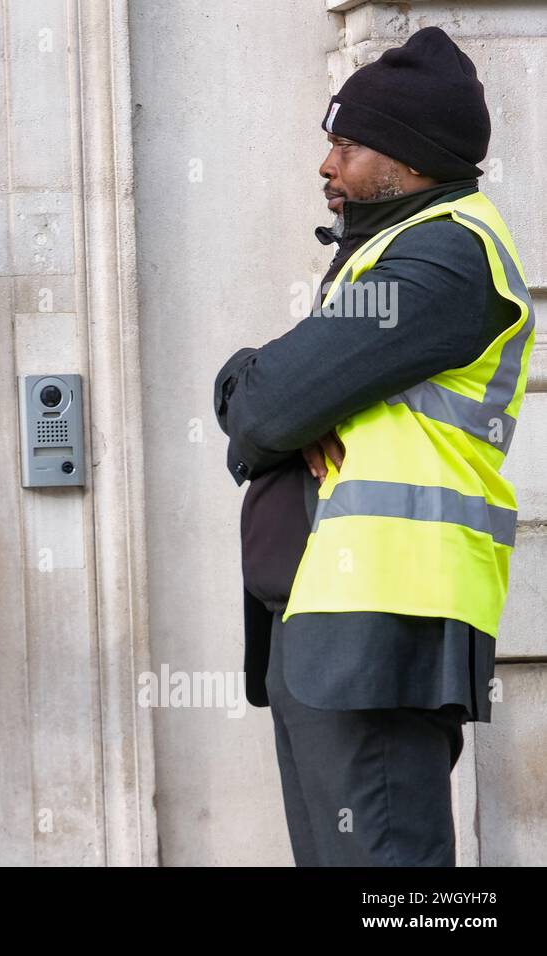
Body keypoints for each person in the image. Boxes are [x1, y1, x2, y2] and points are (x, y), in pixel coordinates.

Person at [213, 27, 534, 866]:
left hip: (383, 629)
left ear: (412, 159)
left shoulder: (447, 256)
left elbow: (267, 404)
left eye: (347, 145)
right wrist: (265, 386)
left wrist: (266, 388)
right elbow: (271, 396)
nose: (327, 166)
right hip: (331, 625)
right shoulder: (384, 253)